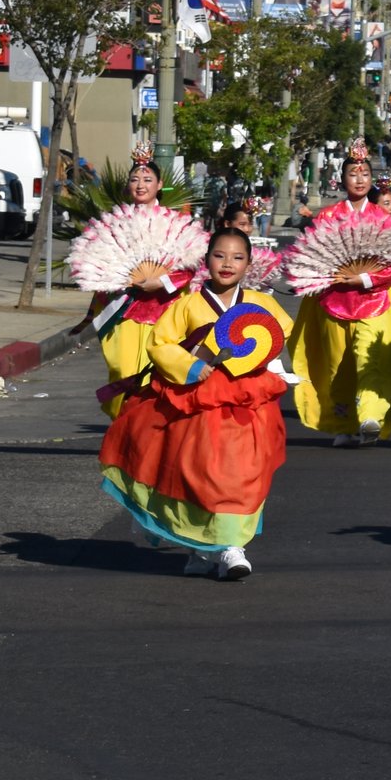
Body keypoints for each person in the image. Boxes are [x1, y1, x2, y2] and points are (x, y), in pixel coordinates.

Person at [96, 228, 294, 581]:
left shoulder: (262, 305)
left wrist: (267, 359)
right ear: (206, 261)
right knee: (197, 474)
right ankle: (200, 547)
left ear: (249, 263)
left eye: (237, 257)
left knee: (241, 472)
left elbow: (278, 335)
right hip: (199, 400)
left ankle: (231, 547)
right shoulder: (186, 305)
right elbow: (160, 344)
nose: (227, 263)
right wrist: (192, 365)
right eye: (219, 255)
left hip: (248, 402)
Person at [286, 141, 391, 446]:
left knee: (373, 359)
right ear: (342, 180)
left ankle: (370, 416)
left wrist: (365, 279)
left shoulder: (383, 218)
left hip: (374, 301)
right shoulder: (327, 217)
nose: (359, 178)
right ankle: (343, 424)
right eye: (353, 173)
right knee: (338, 365)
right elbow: (310, 258)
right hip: (334, 303)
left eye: (365, 173)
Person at [88, 145, 193, 420]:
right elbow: (98, 265)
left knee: (158, 373)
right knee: (123, 371)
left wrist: (162, 282)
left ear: (160, 185)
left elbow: (191, 267)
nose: (140, 184)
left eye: (147, 180)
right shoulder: (114, 224)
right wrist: (112, 282)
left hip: (165, 310)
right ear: (127, 186)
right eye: (135, 179)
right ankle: (124, 424)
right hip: (126, 310)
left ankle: (149, 427)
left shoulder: (176, 223)